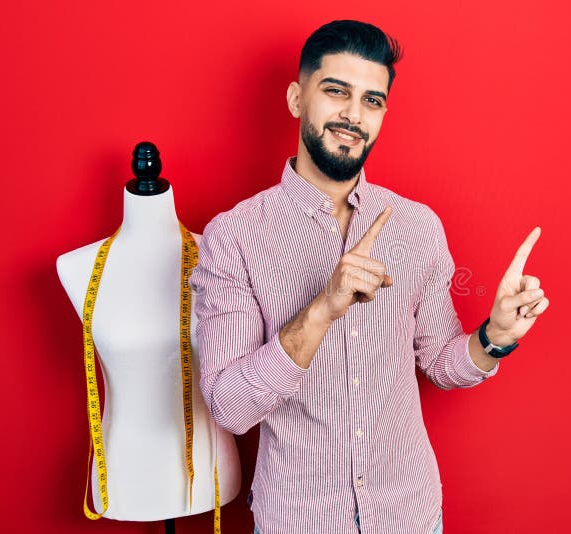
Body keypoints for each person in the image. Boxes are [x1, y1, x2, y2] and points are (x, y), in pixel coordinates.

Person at [189, 20, 549, 534]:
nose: (353, 116)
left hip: (409, 513)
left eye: (372, 101)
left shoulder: (417, 226)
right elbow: (230, 408)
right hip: (300, 518)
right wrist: (322, 308)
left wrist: (495, 337)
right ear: (296, 98)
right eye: (336, 92)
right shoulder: (233, 237)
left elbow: (442, 365)